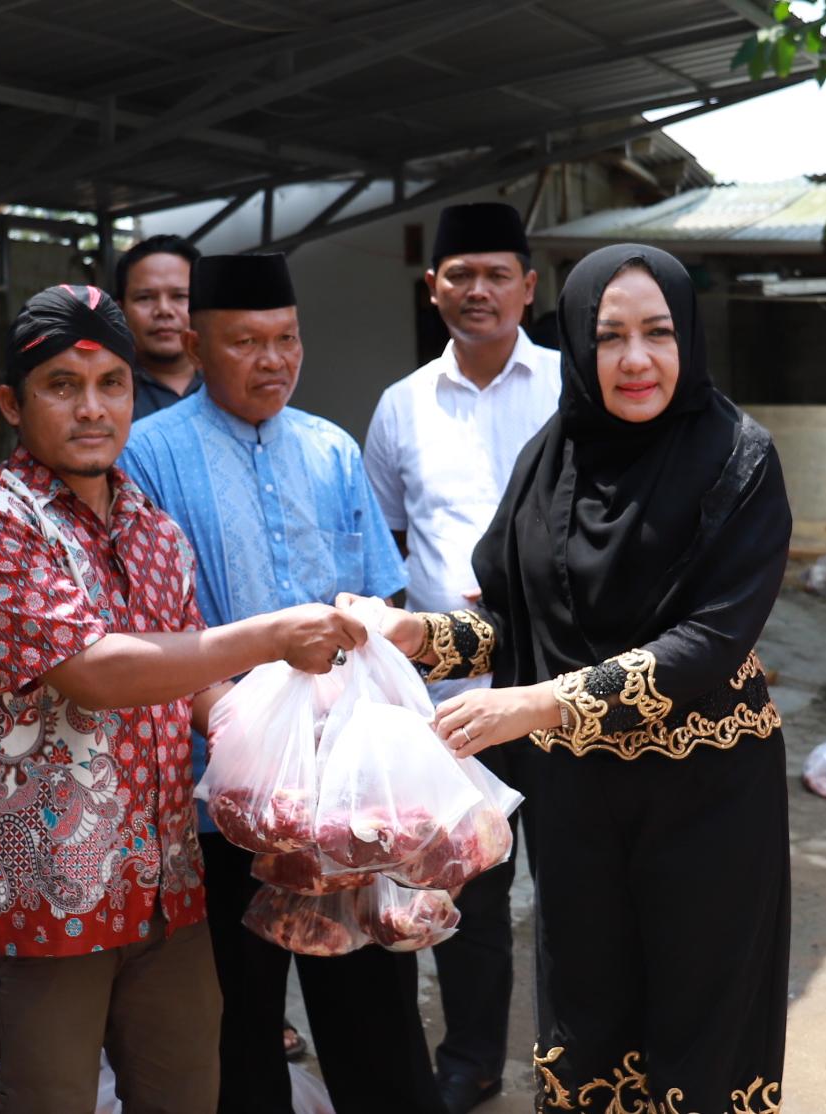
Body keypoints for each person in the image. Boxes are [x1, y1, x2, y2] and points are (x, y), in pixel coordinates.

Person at [350, 244, 792, 1112]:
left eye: (658, 333)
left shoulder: (738, 458)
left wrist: (541, 703)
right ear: (580, 348)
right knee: (588, 1025)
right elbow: (515, 626)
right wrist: (416, 635)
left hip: (707, 805)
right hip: (582, 811)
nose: (635, 359)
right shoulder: (552, 459)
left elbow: (709, 640)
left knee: (699, 1033)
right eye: (610, 336)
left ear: (688, 337)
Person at [0, 283, 367, 1114]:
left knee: (186, 1095)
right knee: (51, 1099)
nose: (93, 409)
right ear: (13, 404)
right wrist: (271, 635)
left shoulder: (154, 530)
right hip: (45, 893)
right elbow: (96, 671)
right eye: (62, 386)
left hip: (168, 888)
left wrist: (291, 757)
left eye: (111, 385)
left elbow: (193, 681)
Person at [119, 253, 444, 1114]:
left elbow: (378, 599)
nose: (273, 361)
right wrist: (237, 724)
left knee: (374, 1014)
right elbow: (146, 634)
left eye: (287, 339)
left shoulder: (331, 448)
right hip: (213, 797)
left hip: (342, 794)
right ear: (195, 346)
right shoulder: (147, 457)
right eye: (245, 342)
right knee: (236, 1027)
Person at [364, 201, 560, 1114]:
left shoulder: (573, 386)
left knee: (576, 882)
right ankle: (473, 1058)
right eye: (461, 275)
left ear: (529, 286)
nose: (478, 290)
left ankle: (581, 1055)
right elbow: (388, 544)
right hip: (451, 696)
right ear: (431, 287)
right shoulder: (400, 407)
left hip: (562, 686)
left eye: (497, 274)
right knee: (469, 888)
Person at [114, 234, 203, 419]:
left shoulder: (231, 386)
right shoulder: (106, 394)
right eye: (145, 298)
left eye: (180, 296)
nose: (164, 310)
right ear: (120, 310)